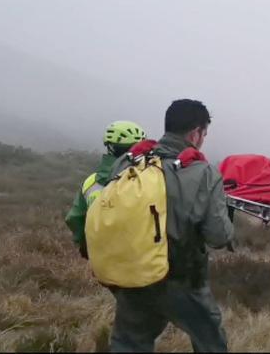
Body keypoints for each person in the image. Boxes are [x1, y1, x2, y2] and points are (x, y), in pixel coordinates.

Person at [108, 99, 234, 353]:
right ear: (195, 133)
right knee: (210, 342)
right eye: (204, 134)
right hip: (181, 279)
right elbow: (218, 236)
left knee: (129, 342)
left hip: (133, 273)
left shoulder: (127, 162)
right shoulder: (204, 172)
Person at [65, 120, 146, 259]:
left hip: (101, 262)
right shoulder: (146, 179)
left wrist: (85, 246)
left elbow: (74, 218)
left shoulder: (90, 183)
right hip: (139, 262)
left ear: (109, 147)